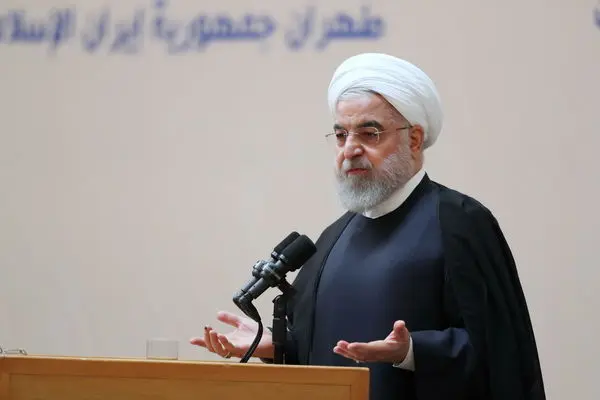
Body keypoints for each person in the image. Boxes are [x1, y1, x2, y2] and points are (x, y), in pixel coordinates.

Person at [190, 52, 546, 400]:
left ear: (414, 139)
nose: (350, 149)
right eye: (341, 135)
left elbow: (500, 352)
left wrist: (411, 351)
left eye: (369, 133)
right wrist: (276, 345)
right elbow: (322, 349)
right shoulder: (333, 238)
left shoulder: (458, 221)